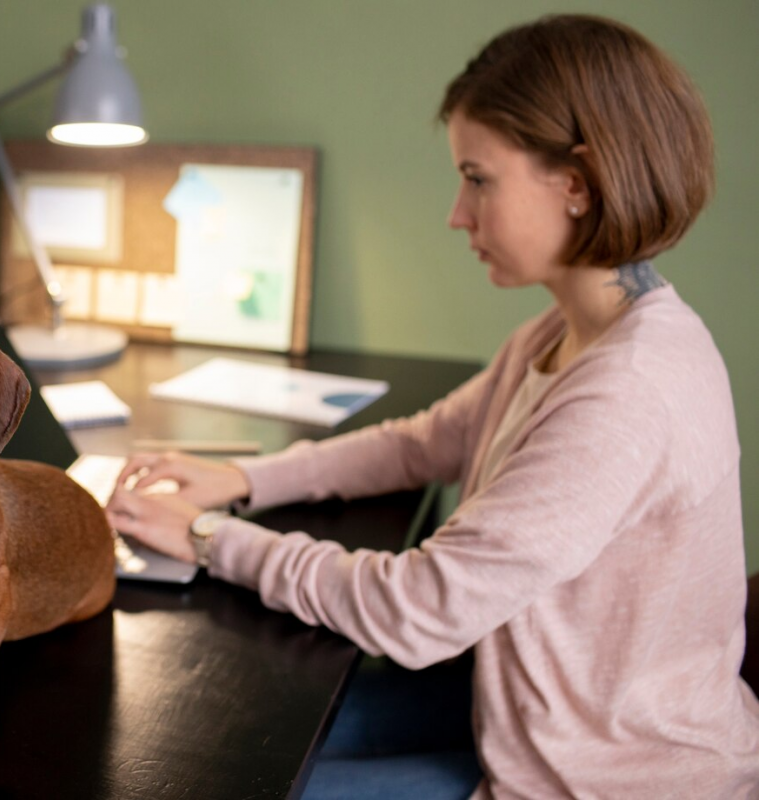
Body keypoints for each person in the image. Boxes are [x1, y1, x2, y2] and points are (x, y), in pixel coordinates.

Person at [107, 14, 759, 799]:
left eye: (478, 178)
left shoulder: (630, 393)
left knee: (222, 779)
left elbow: (416, 609)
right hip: (524, 712)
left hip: (594, 778)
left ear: (578, 185)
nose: (458, 212)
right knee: (221, 748)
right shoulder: (570, 330)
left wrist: (212, 538)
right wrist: (243, 479)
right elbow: (426, 443)